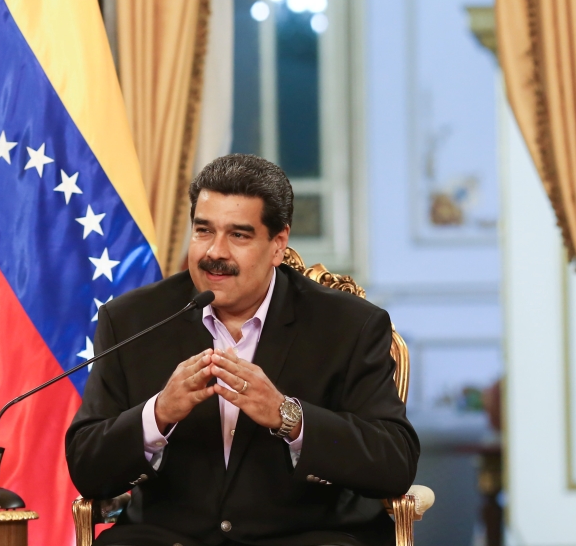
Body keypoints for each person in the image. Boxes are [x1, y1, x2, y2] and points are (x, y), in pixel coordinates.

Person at [66, 154, 419, 546]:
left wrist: (290, 418)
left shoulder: (348, 325)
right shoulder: (133, 320)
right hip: (170, 537)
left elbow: (394, 461)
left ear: (277, 245)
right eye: (203, 231)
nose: (215, 252)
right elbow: (87, 465)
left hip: (305, 537)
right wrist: (159, 414)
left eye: (239, 235)